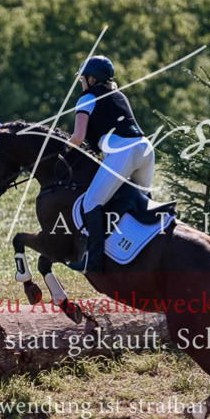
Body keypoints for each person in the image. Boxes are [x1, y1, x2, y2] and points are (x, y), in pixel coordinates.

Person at [68, 55, 155, 273]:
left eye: (83, 79)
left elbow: (78, 137)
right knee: (145, 203)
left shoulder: (86, 98)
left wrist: (64, 148)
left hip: (122, 152)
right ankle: (154, 252)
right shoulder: (119, 96)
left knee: (91, 203)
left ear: (91, 79)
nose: (82, 83)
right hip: (145, 148)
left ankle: (94, 261)